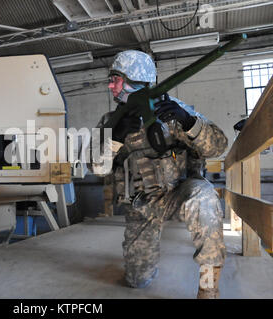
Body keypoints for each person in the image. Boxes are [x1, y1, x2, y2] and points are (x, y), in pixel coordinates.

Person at [93, 50, 228, 299]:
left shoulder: (173, 111)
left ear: (136, 79)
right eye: (110, 79)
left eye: (116, 79)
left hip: (178, 194)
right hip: (141, 206)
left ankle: (209, 287)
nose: (110, 85)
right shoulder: (110, 121)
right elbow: (96, 168)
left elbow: (219, 146)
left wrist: (188, 122)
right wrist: (114, 138)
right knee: (137, 280)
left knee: (205, 198)